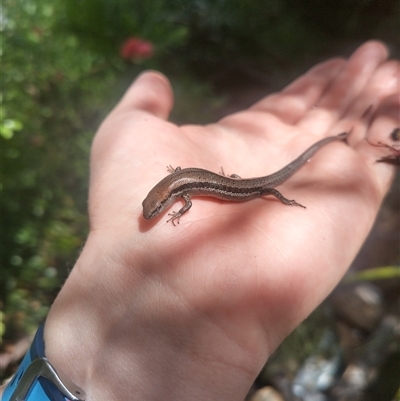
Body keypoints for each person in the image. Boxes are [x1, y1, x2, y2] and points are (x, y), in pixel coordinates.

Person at [2, 41, 399, 401]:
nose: (152, 214)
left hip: (246, 187)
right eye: (154, 208)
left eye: (155, 209)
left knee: (272, 189)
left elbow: (186, 197)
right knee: (254, 184)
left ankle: (295, 184)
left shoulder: (180, 193)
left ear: (167, 198)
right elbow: (179, 188)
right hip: (216, 181)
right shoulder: (172, 188)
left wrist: (185, 210)